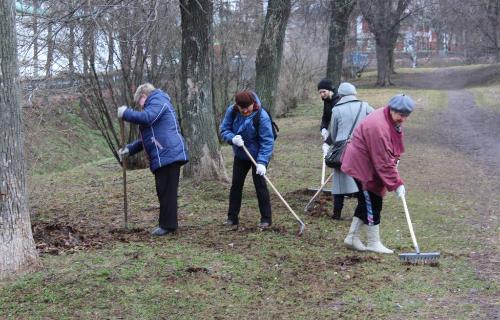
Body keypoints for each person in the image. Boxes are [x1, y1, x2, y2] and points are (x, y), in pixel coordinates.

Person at [341, 94, 415, 254]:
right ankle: (373, 243)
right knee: (372, 201)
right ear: (392, 110)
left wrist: (395, 160)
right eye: (401, 115)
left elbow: (391, 147)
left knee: (366, 201)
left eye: (406, 116)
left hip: (369, 162)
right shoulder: (378, 126)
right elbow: (382, 162)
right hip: (362, 166)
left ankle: (351, 238)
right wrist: (396, 184)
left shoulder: (390, 118)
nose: (403, 119)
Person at [117, 83, 189, 236]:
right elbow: (148, 139)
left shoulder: (158, 100)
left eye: (140, 102)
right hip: (163, 154)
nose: (141, 107)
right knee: (163, 190)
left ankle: (168, 226)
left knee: (167, 190)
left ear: (144, 95)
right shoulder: (155, 104)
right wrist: (129, 149)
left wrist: (126, 113)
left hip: (169, 152)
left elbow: (147, 118)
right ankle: (167, 224)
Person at [219, 90, 275, 229]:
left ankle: (266, 219)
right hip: (241, 153)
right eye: (241, 108)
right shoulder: (232, 111)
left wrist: (262, 162)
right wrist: (232, 138)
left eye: (247, 108)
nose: (244, 111)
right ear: (236, 105)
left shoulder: (261, 116)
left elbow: (267, 141)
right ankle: (232, 218)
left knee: (260, 186)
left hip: (258, 156)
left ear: (253, 103)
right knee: (236, 185)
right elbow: (224, 129)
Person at [328, 82, 374, 220]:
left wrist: (339, 141)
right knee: (361, 181)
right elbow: (375, 124)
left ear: (340, 94)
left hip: (342, 149)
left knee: (339, 183)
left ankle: (337, 213)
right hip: (361, 148)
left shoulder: (336, 109)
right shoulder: (364, 106)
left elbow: (334, 133)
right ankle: (361, 213)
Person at [317, 78, 341, 144]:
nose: (322, 94)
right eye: (320, 92)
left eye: (324, 91)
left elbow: (339, 125)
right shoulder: (327, 100)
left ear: (330, 90)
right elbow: (326, 116)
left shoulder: (338, 101)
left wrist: (327, 142)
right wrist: (323, 128)